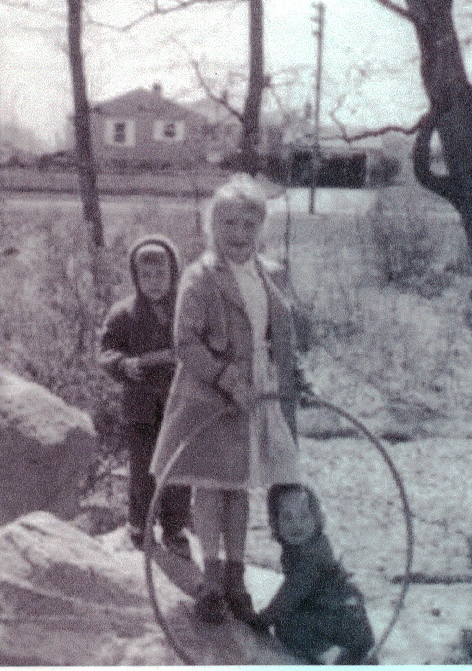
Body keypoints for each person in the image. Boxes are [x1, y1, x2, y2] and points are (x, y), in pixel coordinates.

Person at [150, 174, 303, 624]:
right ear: (213, 227)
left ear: (260, 229)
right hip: (211, 395)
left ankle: (236, 576)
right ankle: (211, 578)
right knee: (211, 487)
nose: (238, 235)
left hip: (260, 392)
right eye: (229, 225)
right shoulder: (201, 277)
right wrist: (227, 380)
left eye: (248, 226)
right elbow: (185, 342)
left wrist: (296, 377)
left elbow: (281, 337)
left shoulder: (270, 273)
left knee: (240, 489)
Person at [98, 235, 191, 556]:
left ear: (174, 274)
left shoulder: (185, 309)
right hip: (139, 409)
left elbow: (199, 343)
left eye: (161, 276)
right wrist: (124, 364)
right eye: (146, 276)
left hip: (177, 405)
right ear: (135, 277)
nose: (154, 283)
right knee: (141, 469)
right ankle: (138, 524)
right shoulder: (123, 314)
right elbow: (106, 351)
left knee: (177, 469)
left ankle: (176, 526)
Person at [251, 483, 375, 666]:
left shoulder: (310, 557)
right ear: (275, 522)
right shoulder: (307, 546)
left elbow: (291, 593)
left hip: (341, 621)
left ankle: (334, 656)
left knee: (287, 625)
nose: (296, 524)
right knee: (297, 616)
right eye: (287, 517)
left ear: (317, 518)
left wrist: (266, 618)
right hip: (350, 621)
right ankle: (348, 653)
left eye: (304, 516)